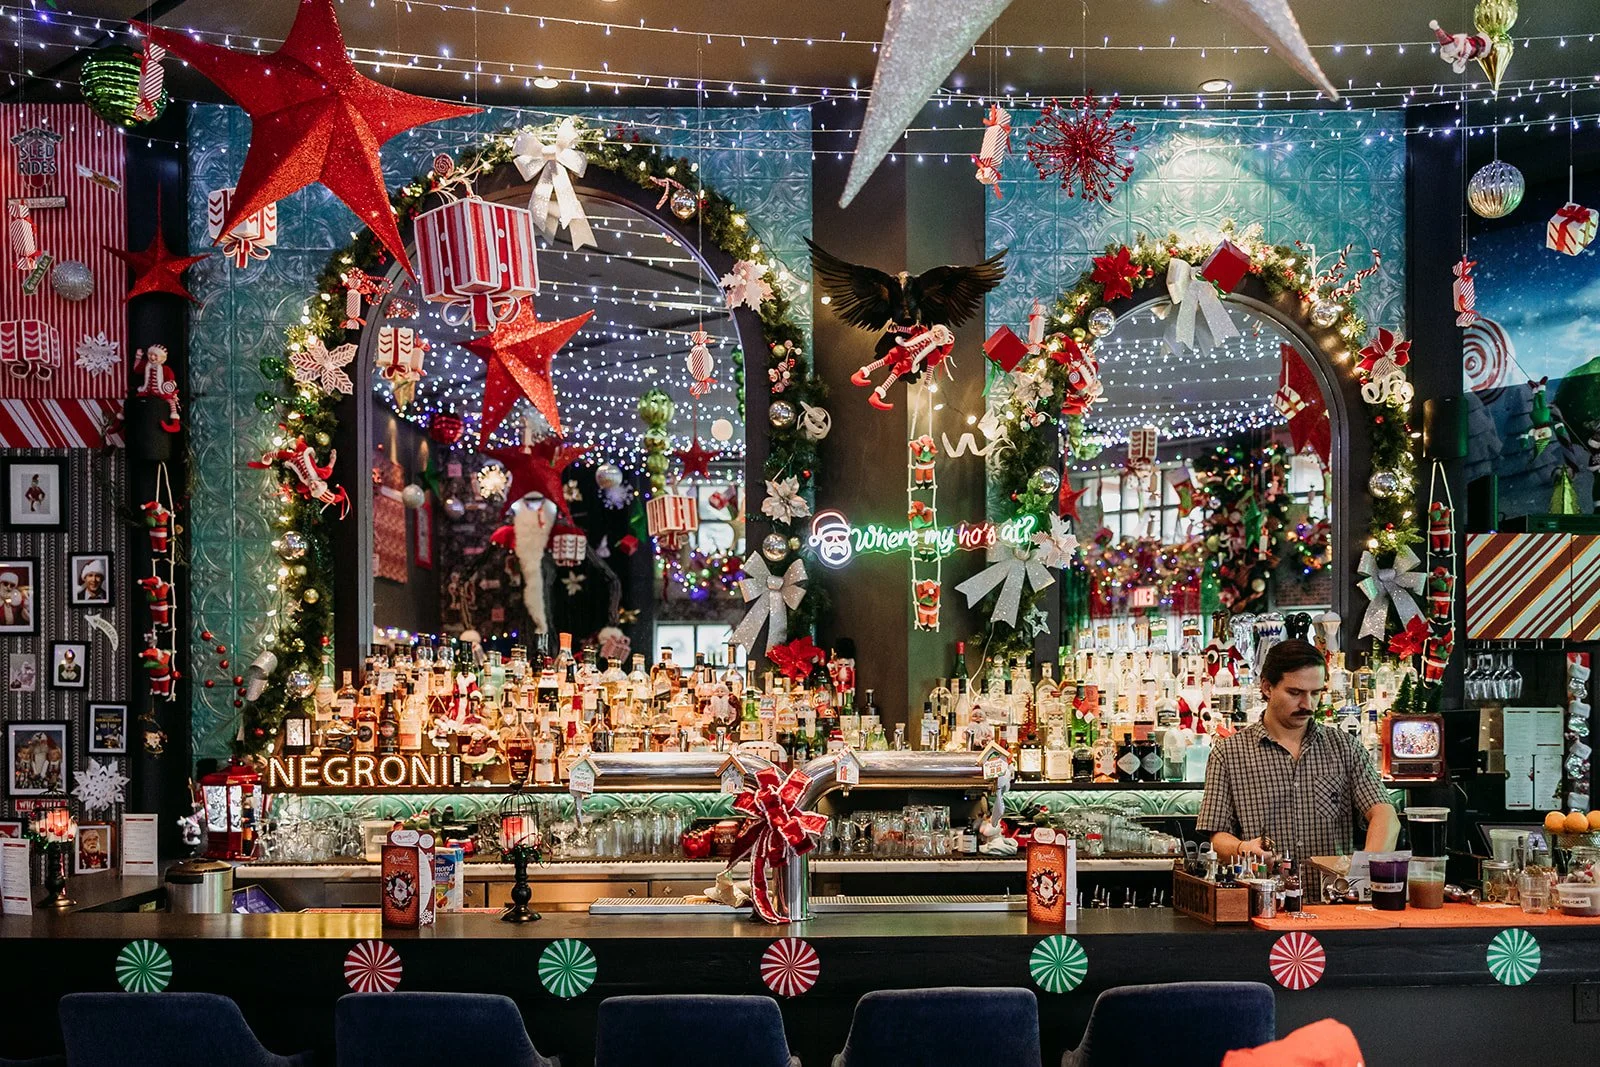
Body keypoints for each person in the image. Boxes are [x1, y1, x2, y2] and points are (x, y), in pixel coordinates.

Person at [1196, 639, 1398, 887]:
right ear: (1267, 687)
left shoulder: (1345, 748)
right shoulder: (1229, 753)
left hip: (1333, 904)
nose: (1308, 705)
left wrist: (1363, 872)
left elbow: (1385, 816)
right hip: (1265, 902)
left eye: (1316, 693)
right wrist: (1243, 848)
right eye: (1295, 693)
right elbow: (1217, 837)